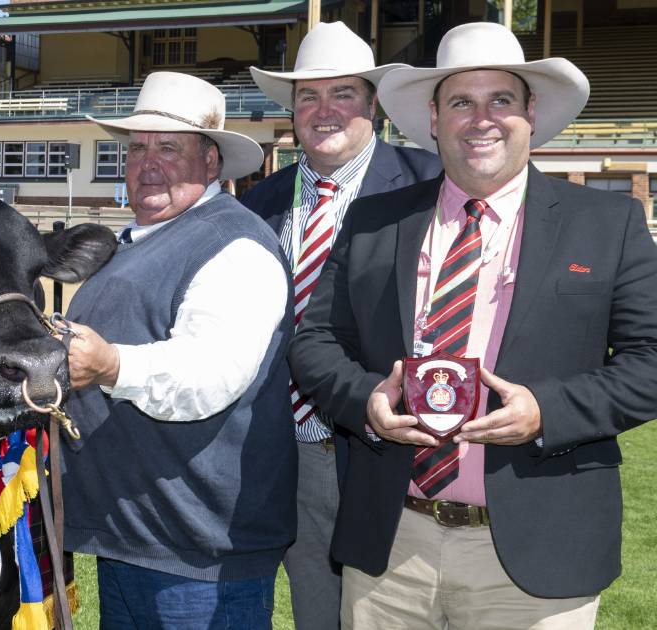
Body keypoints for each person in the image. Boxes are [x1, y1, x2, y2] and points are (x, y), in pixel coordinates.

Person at [290, 22, 657, 628]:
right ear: (434, 118)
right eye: (461, 101)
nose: (480, 118)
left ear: (530, 112)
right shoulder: (377, 220)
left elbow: (650, 362)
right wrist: (366, 401)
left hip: (536, 555)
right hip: (391, 548)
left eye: (501, 100)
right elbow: (317, 341)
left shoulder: (608, 222)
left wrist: (547, 410)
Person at [60, 71, 296, 630]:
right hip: (139, 539)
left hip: (198, 557)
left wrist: (112, 365)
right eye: (137, 147)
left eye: (169, 147)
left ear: (211, 163)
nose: (148, 162)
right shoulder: (140, 240)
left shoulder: (233, 245)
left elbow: (207, 374)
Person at [240, 22, 441, 630]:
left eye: (343, 94)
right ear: (292, 109)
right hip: (291, 450)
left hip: (395, 446)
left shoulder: (429, 184)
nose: (324, 111)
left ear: (373, 104)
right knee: (318, 609)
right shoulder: (257, 203)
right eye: (308, 96)